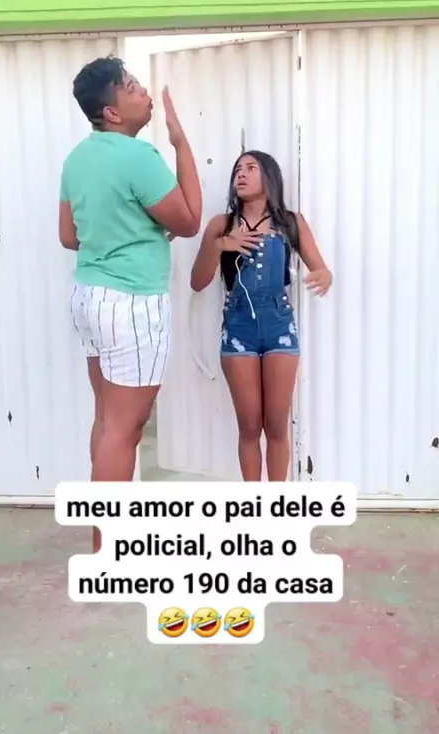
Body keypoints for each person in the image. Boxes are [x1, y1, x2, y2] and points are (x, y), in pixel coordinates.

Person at [59, 56, 201, 552]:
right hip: (131, 303)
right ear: (112, 111)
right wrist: (180, 142)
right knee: (125, 429)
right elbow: (189, 221)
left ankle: (104, 540)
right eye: (133, 86)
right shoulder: (138, 156)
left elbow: (69, 236)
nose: (145, 92)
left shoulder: (77, 159)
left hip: (90, 298)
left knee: (107, 422)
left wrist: (122, 233)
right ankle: (108, 553)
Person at [190, 150, 332, 482]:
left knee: (277, 424)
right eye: (237, 170)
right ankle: (253, 502)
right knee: (250, 425)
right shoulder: (221, 225)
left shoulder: (290, 222)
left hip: (280, 327)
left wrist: (325, 276)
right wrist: (221, 245)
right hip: (238, 330)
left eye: (250, 168)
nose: (240, 174)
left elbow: (321, 268)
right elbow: (197, 282)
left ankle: (276, 502)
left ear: (269, 177)